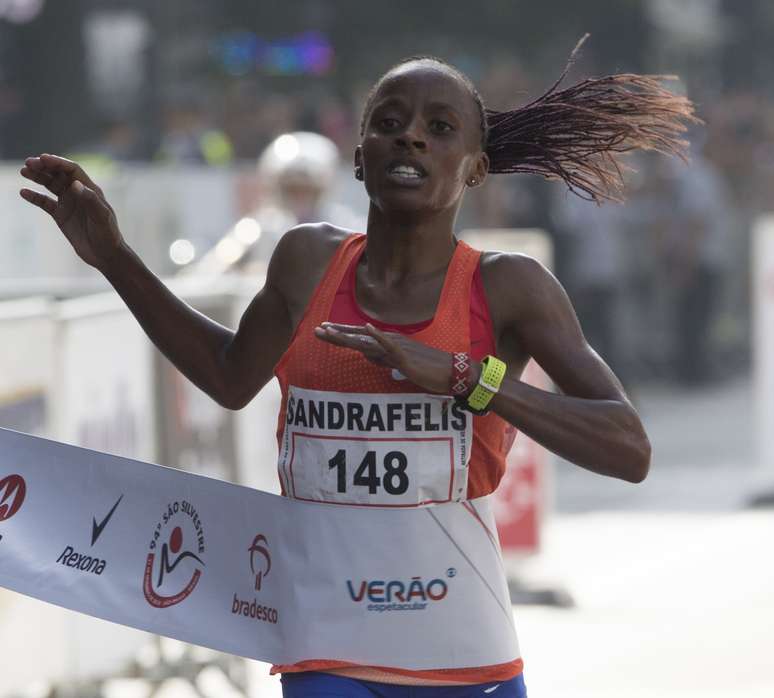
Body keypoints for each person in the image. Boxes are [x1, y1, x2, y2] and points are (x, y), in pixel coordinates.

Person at [19, 40, 696, 698]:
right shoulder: (307, 261)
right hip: (325, 638)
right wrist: (114, 259)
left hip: (464, 650)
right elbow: (228, 379)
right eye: (389, 123)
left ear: (476, 167)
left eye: (439, 128)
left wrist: (469, 379)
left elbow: (627, 447)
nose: (411, 139)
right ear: (357, 158)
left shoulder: (508, 287)